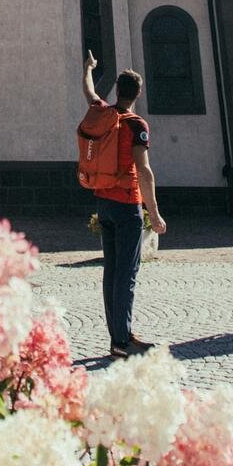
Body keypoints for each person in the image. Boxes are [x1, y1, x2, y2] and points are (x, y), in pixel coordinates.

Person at [83, 50, 166, 357]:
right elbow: (144, 170)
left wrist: (89, 68)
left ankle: (119, 334)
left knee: (112, 271)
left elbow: (89, 91)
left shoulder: (103, 112)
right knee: (126, 274)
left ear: (117, 90)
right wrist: (154, 214)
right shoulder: (135, 124)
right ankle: (121, 340)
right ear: (138, 93)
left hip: (102, 202)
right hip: (127, 204)